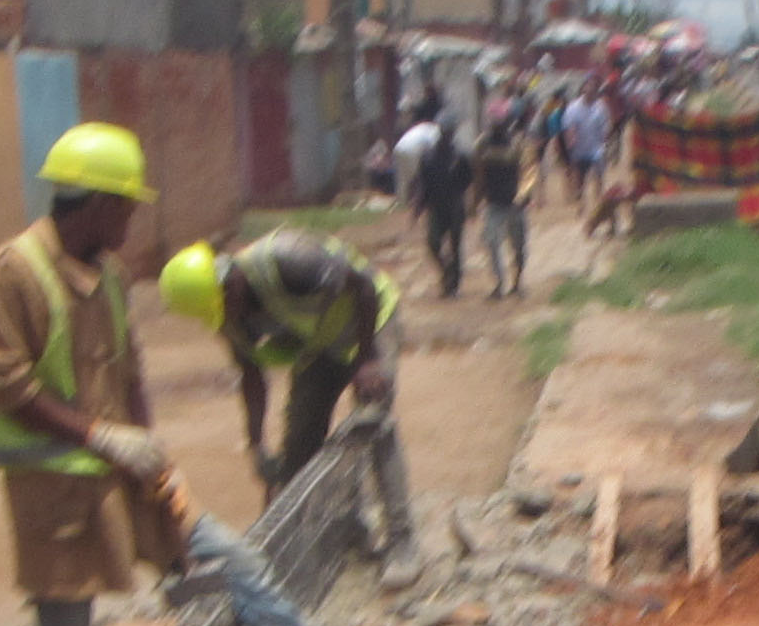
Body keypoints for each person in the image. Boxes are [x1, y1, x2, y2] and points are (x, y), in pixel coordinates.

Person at [0, 123, 427, 626]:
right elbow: (5, 381)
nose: (132, 221)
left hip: (129, 473)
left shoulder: (108, 277)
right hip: (56, 492)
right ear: (101, 204)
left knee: (236, 564)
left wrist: (149, 446)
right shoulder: (12, 273)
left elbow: (128, 369)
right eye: (127, 206)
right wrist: (97, 436)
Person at [161, 226, 424, 589]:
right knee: (299, 447)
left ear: (230, 282)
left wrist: (366, 360)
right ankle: (342, 530)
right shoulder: (227, 313)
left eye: (225, 306)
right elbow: (252, 375)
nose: (227, 318)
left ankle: (402, 542)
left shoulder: (288, 260)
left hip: (369, 321)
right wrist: (256, 445)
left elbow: (362, 286)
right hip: (320, 342)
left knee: (372, 421)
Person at [471, 105, 533, 301]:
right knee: (492, 244)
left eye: (500, 122)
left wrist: (524, 196)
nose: (497, 126)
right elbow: (478, 175)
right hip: (493, 203)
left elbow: (528, 172)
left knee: (518, 246)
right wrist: (475, 202)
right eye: (494, 123)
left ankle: (517, 281)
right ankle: (499, 283)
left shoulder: (518, 143)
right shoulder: (482, 144)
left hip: (515, 203)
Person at [414, 115, 474, 297]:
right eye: (444, 131)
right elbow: (423, 183)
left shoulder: (460, 155)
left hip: (454, 205)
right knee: (433, 243)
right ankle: (446, 269)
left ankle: (453, 286)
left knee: (456, 246)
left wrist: (463, 199)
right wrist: (419, 206)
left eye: (450, 131)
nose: (447, 135)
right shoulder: (428, 156)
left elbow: (468, 180)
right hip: (435, 206)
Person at [559, 86, 612, 224]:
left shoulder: (600, 107)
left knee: (599, 178)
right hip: (580, 149)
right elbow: (568, 127)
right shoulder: (573, 108)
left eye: (593, 90)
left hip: (597, 148)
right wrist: (571, 141)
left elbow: (605, 125)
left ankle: (598, 205)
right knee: (580, 181)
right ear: (583, 91)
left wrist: (605, 141)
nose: (591, 93)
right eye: (589, 90)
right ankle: (581, 205)